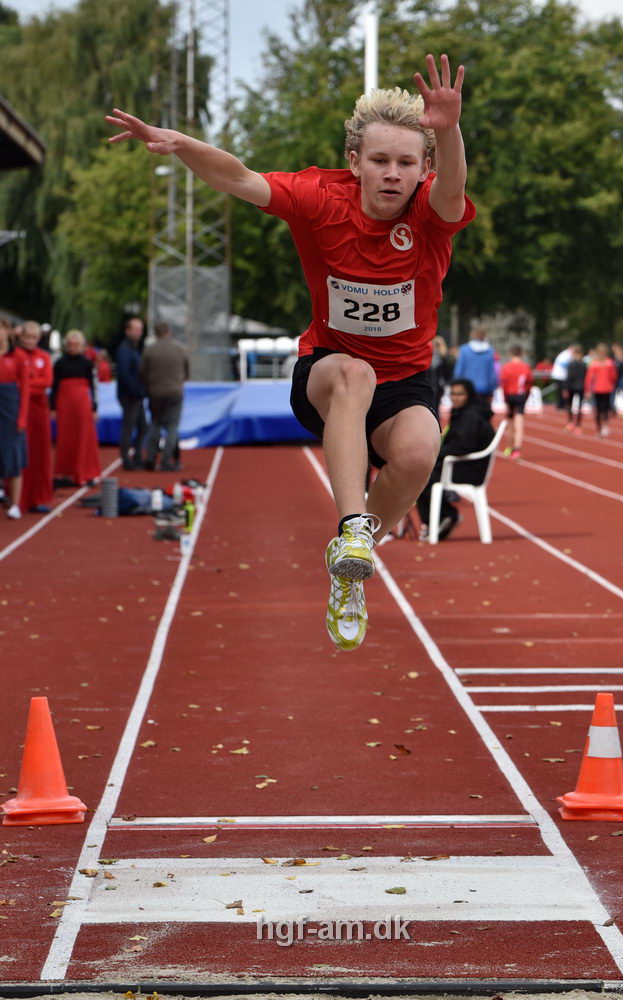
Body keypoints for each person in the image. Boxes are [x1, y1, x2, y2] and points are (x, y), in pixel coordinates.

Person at [107, 52, 474, 652]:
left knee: (419, 451)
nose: (391, 173)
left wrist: (449, 127)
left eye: (406, 162)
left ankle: (351, 565)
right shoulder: (320, 197)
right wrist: (182, 144)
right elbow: (237, 177)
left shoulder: (431, 215)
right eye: (379, 160)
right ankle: (353, 526)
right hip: (327, 372)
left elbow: (455, 188)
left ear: (422, 168)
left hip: (405, 379)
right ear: (354, 162)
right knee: (354, 375)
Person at [416, 378, 494, 540]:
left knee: (420, 477)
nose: (455, 397)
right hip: (460, 464)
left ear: (469, 395)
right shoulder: (464, 412)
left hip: (468, 469)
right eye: (453, 394)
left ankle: (445, 516)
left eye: (460, 394)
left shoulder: (471, 416)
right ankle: (442, 518)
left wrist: (436, 454)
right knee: (420, 474)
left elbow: (462, 445)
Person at [50, 329, 101, 486]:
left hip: (82, 405)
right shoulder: (59, 363)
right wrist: (52, 407)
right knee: (65, 439)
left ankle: (86, 472)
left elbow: (94, 387)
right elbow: (54, 386)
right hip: (64, 405)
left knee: (85, 438)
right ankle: (65, 473)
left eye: (76, 344)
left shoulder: (87, 364)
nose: (73, 347)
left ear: (82, 346)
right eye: (70, 344)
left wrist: (94, 408)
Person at [14, 320, 54, 513]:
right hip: (18, 410)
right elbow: (14, 383)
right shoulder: (15, 356)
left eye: (34, 337)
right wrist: (30, 385)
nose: (30, 341)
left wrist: (27, 385)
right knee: (19, 451)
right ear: (20, 337)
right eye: (27, 337)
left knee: (40, 452)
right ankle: (17, 497)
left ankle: (39, 497)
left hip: (38, 411)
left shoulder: (43, 357)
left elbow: (46, 381)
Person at [140, 322, 189, 471]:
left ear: (156, 333)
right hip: (174, 392)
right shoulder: (180, 349)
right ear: (169, 332)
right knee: (172, 427)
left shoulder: (149, 350)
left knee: (155, 425)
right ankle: (167, 460)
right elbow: (187, 372)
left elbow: (142, 373)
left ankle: (150, 458)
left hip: (155, 393)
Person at [0, 319, 29, 519]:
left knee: (14, 454)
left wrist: (22, 418)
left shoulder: (18, 356)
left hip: (11, 407)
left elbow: (25, 390)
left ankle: (16, 504)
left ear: (8, 332)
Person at [115, 316, 147, 470]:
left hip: (136, 394)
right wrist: (137, 391)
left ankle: (137, 455)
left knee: (142, 426)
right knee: (129, 427)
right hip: (130, 395)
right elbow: (124, 374)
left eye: (140, 330)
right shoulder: (125, 349)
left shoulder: (134, 348)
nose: (138, 333)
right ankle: (126, 459)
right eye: (135, 329)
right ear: (127, 330)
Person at [499, 345, 532, 459]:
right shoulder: (526, 367)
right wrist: (526, 396)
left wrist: (505, 399)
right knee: (519, 422)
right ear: (521, 354)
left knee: (510, 422)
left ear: (510, 354)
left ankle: (509, 447)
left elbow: (503, 384)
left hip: (510, 395)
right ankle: (517, 449)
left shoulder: (506, 367)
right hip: (521, 395)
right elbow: (529, 384)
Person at [453, 324, 497, 404]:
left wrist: (456, 387)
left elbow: (459, 371)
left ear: (472, 334)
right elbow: (492, 374)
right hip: (484, 390)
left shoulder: (464, 350)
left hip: (466, 390)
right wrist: (492, 389)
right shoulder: (490, 351)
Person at [584, 343, 617, 437]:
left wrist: (612, 383)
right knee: (599, 409)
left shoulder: (608, 362)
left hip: (606, 389)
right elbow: (589, 378)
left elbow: (613, 376)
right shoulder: (595, 363)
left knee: (605, 409)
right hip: (598, 389)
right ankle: (599, 428)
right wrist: (588, 389)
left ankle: (604, 426)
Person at [563, 344, 587, 433]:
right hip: (580, 387)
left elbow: (568, 377)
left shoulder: (571, 364)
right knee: (579, 407)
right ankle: (578, 425)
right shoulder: (584, 364)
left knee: (570, 406)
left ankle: (570, 423)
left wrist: (565, 388)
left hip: (572, 387)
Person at [551, 345, 573, 409]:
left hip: (560, 375)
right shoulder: (567, 354)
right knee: (562, 391)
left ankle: (561, 405)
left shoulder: (565, 353)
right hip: (561, 375)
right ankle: (561, 405)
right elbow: (564, 364)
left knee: (561, 391)